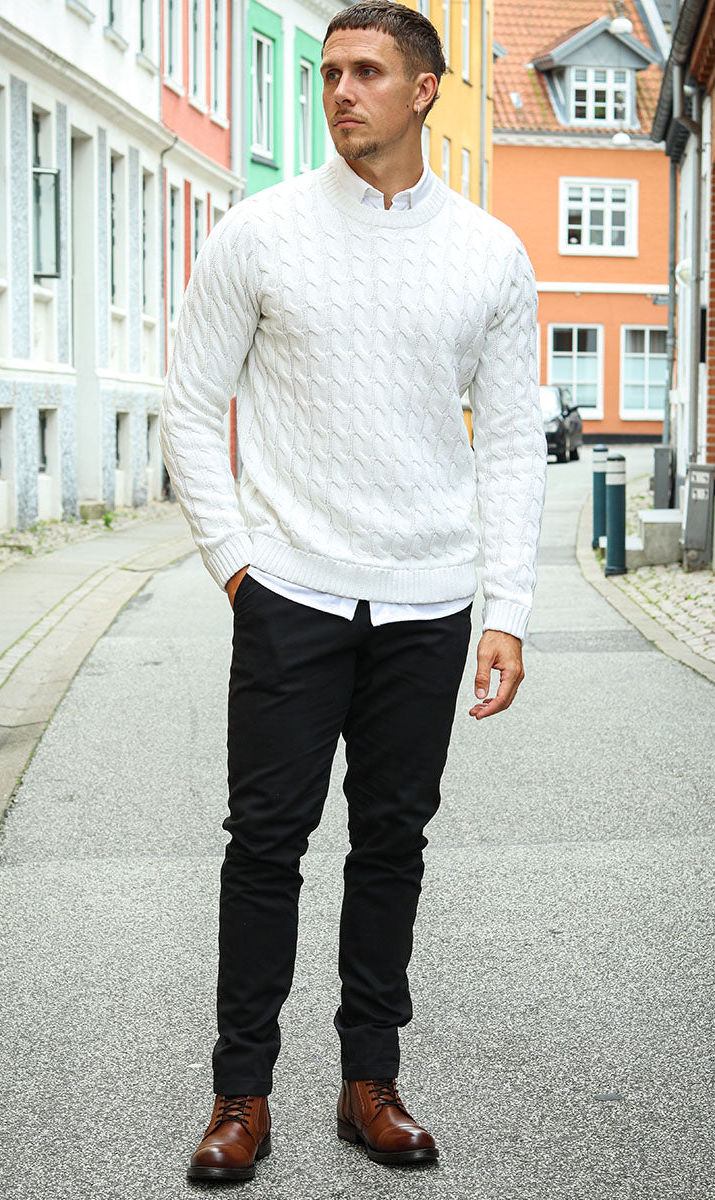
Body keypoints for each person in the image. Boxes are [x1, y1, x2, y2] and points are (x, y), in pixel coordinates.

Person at [160, 0, 546, 1182]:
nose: (339, 91)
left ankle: (368, 1081)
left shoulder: (488, 253)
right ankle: (240, 1095)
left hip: (427, 602)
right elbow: (190, 403)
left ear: (423, 90)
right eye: (329, 71)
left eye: (367, 71)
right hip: (290, 590)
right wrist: (237, 565)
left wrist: (505, 609)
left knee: (390, 845)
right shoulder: (260, 233)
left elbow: (511, 443)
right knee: (263, 846)